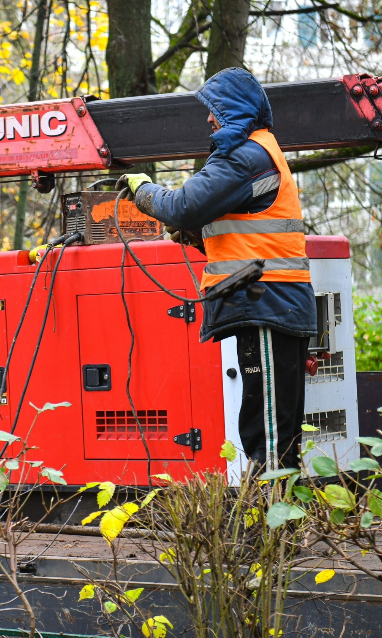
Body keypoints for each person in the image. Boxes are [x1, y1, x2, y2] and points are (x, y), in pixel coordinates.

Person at [120, 67, 317, 471]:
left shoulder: (246, 156)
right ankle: (273, 523)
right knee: (269, 429)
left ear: (236, 110)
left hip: (266, 301)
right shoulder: (262, 151)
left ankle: (269, 527)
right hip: (271, 302)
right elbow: (246, 219)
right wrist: (199, 237)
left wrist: (143, 190)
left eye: (215, 109)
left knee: (269, 435)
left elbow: (181, 206)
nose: (209, 119)